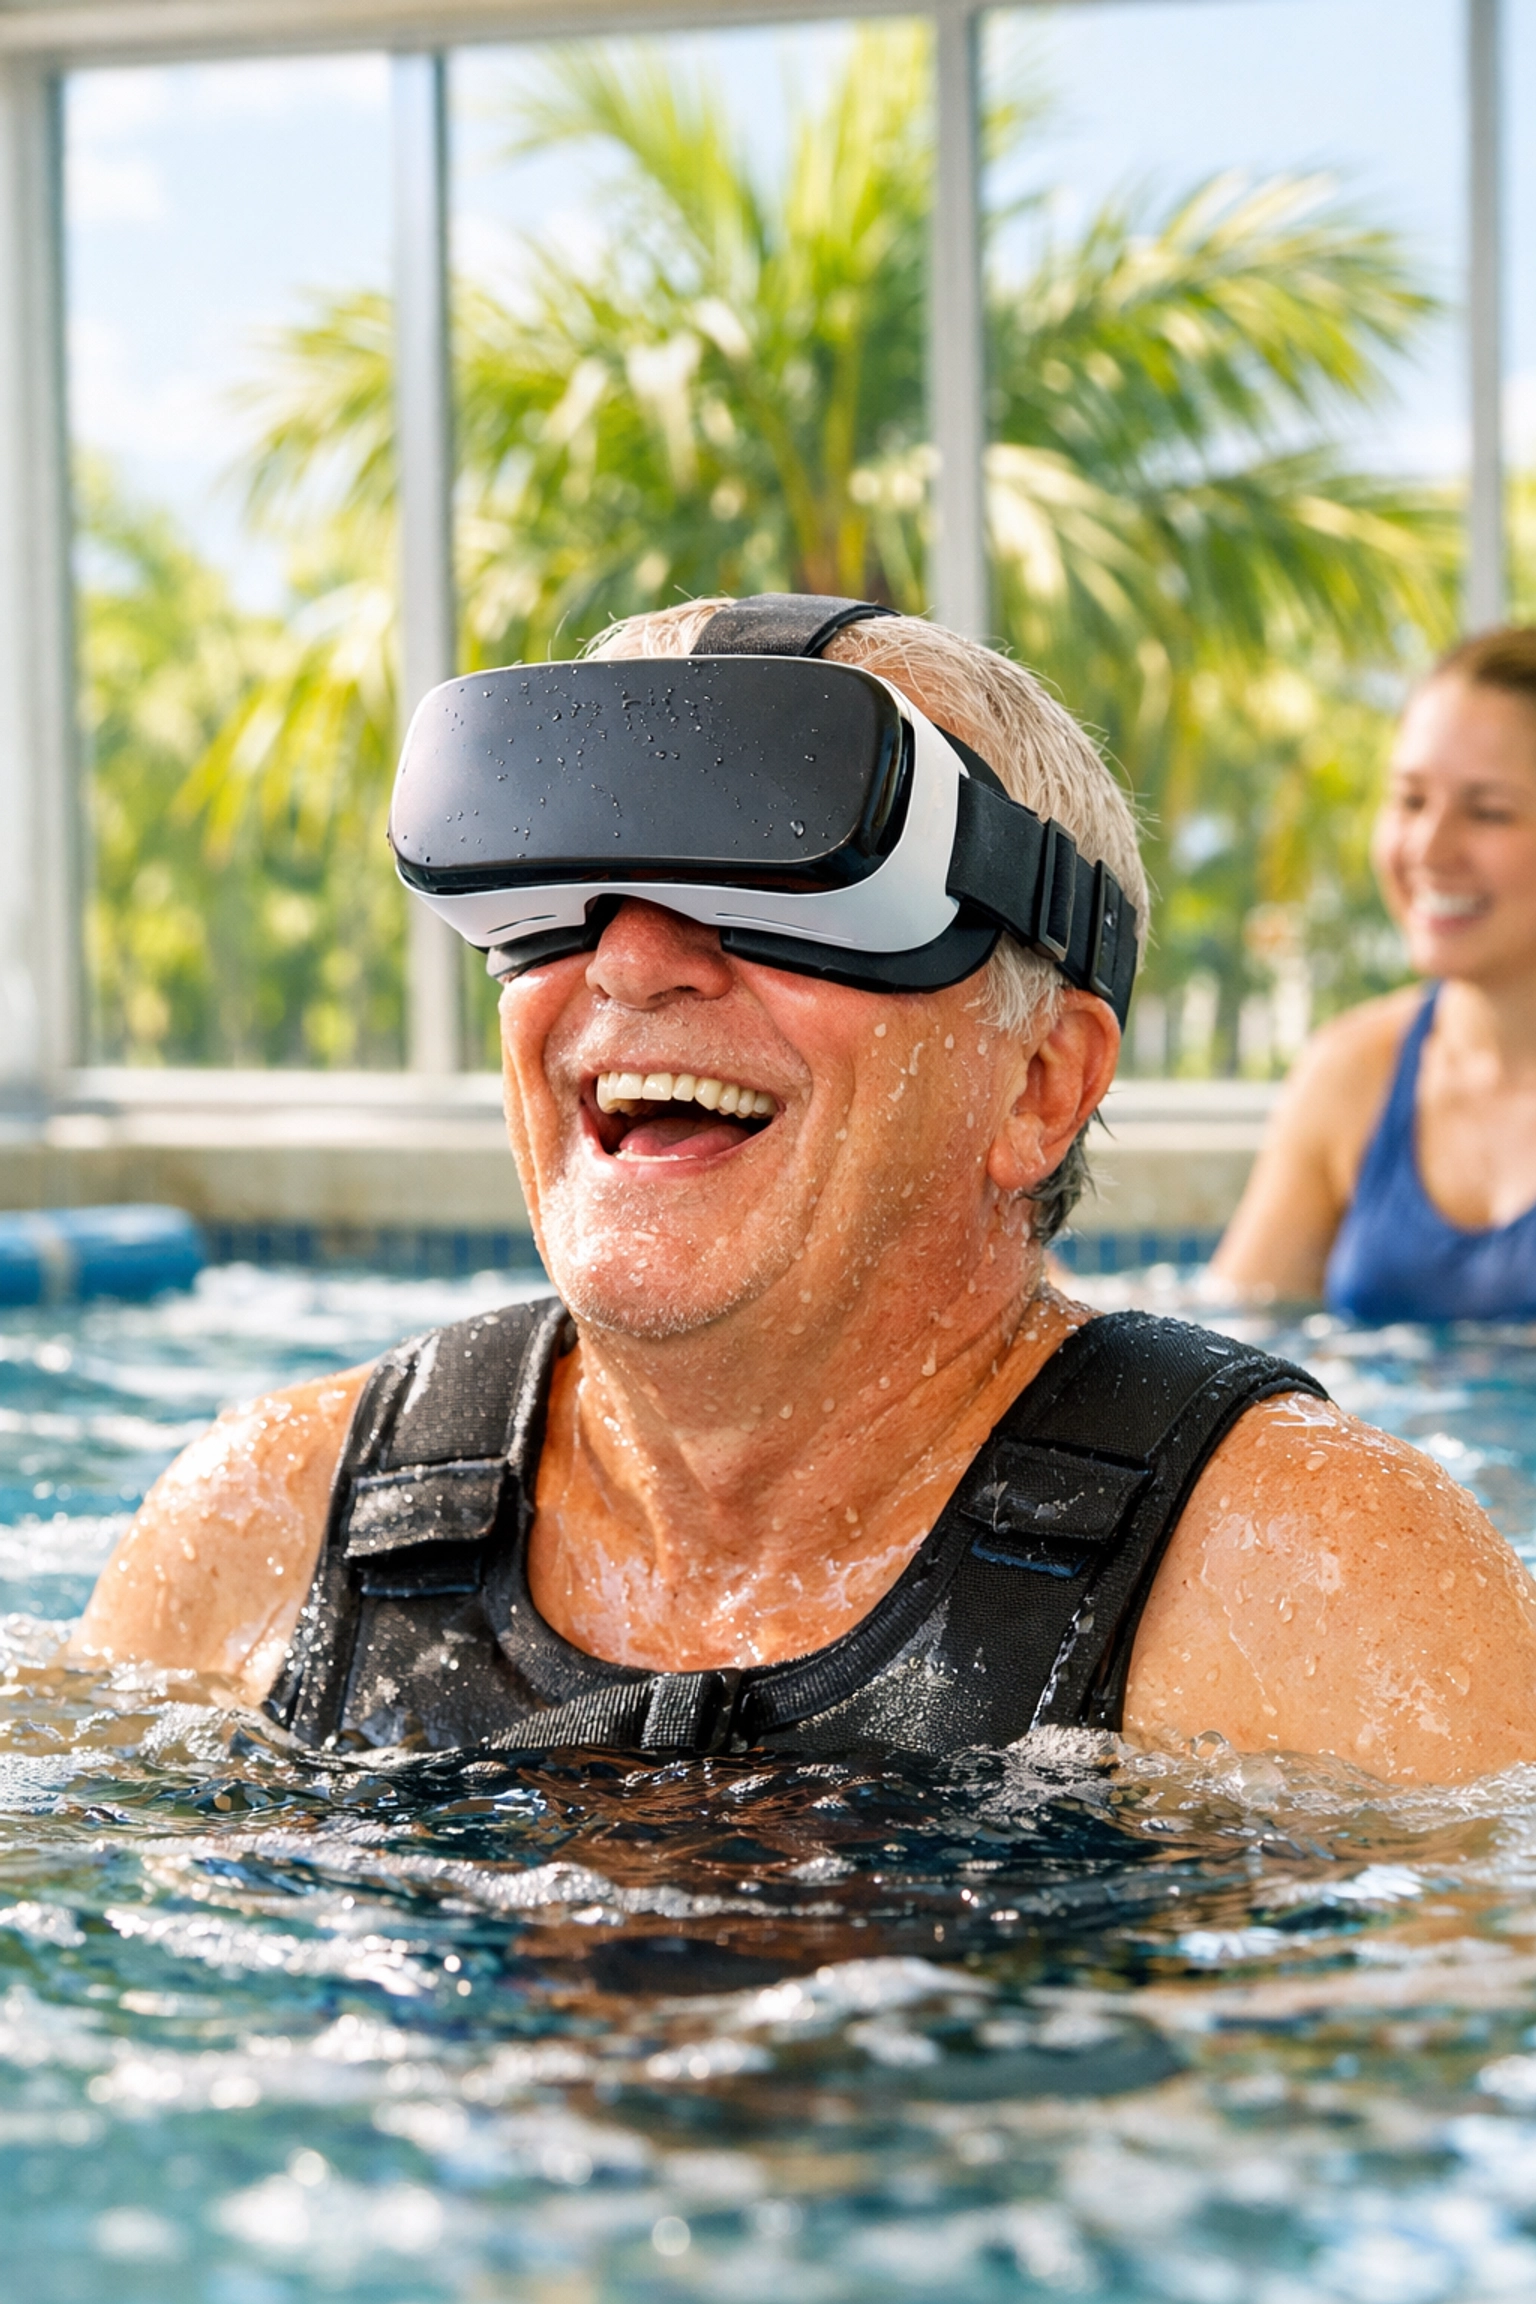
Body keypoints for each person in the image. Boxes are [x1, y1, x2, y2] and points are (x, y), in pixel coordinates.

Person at [73, 598, 1536, 1783]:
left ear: (1040, 1084)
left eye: (785, 891)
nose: (634, 965)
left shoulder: (1320, 1598)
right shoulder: (268, 1536)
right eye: (572, 886)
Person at [1215, 627, 1536, 1319]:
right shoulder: (1352, 1074)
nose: (1429, 847)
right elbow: (1226, 1337)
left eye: (1488, 811)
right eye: (1411, 800)